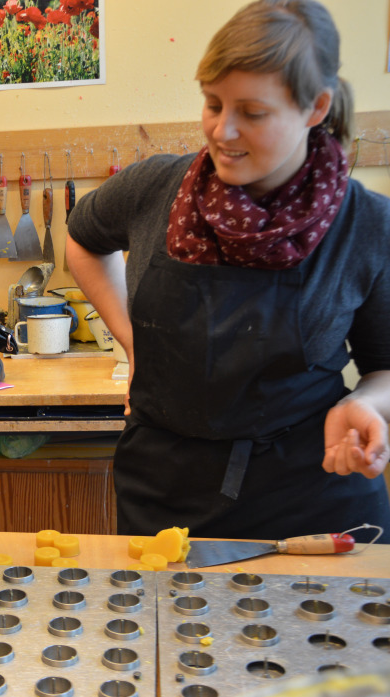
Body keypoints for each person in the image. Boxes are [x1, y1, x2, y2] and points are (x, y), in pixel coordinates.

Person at [66, 0, 390, 540]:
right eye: (213, 104)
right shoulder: (154, 189)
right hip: (164, 491)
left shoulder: (367, 224)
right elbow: (81, 238)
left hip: (312, 489)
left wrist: (365, 404)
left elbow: (385, 368)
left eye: (252, 112)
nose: (223, 130)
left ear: (316, 107)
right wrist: (132, 344)